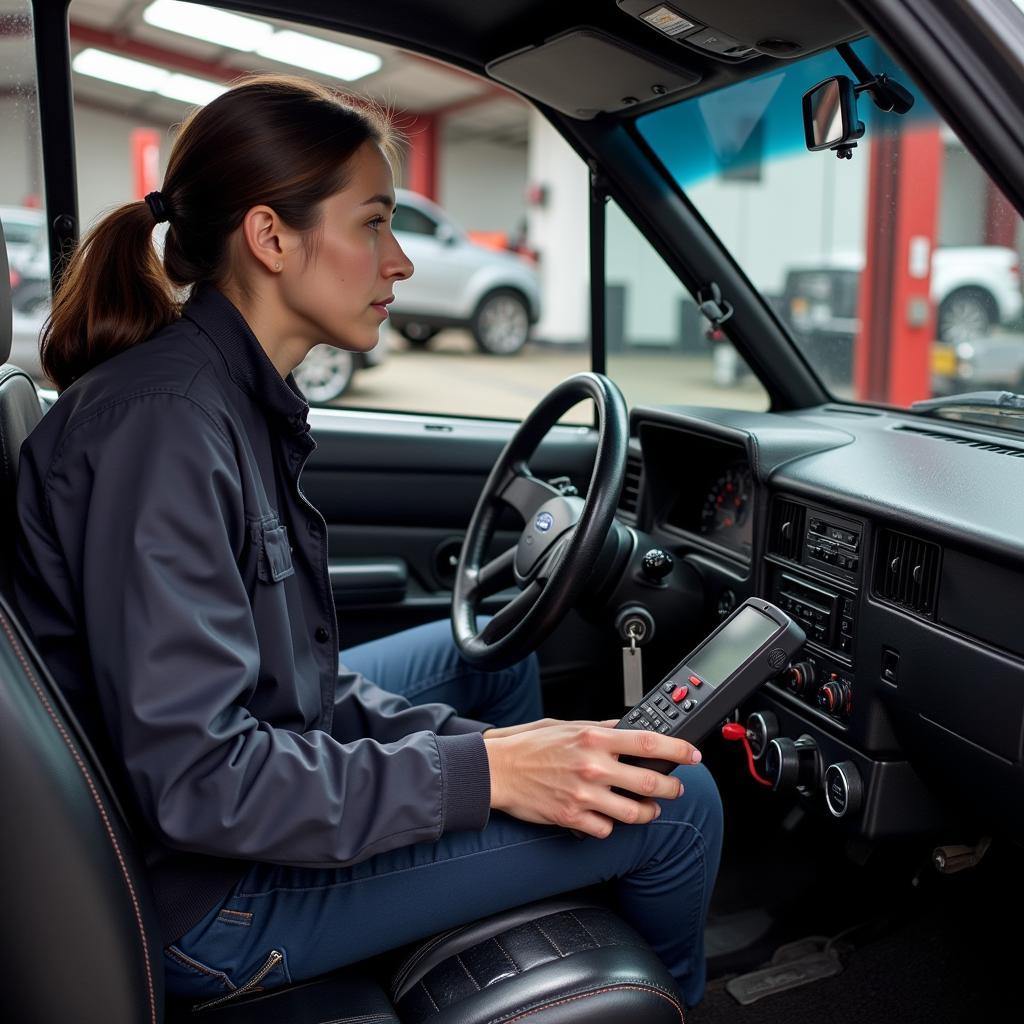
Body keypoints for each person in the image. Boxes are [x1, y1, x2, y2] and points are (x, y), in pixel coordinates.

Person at [12, 74, 722, 1010]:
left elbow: (287, 684)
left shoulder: (221, 396)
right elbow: (203, 781)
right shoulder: (168, 431)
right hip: (209, 904)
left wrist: (508, 763)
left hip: (222, 830)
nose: (402, 263)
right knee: (675, 805)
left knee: (494, 661)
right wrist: (488, 774)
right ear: (270, 238)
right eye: (374, 224)